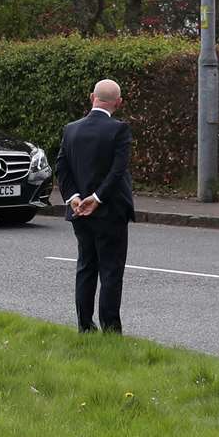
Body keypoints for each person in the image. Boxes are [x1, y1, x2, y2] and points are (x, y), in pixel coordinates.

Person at [57, 79, 135, 334]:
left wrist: (74, 197)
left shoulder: (71, 129)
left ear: (92, 97)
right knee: (111, 271)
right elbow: (117, 170)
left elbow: (62, 168)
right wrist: (97, 198)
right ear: (118, 102)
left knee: (86, 267)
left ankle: (84, 326)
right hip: (110, 211)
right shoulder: (119, 130)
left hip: (79, 211)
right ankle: (111, 329)